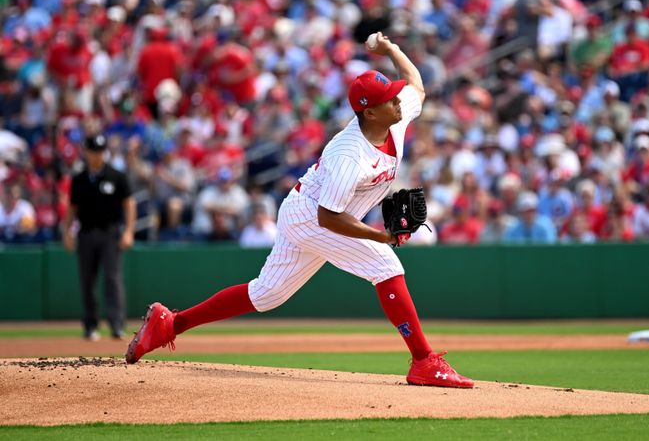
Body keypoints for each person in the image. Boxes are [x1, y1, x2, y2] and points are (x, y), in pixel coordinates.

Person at [126, 33, 474, 388]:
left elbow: (418, 86)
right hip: (313, 216)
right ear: (369, 110)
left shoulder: (393, 118)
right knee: (385, 265)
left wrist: (391, 50)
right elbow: (329, 217)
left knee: (266, 295)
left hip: (305, 210)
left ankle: (170, 323)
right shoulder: (349, 155)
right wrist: (380, 235)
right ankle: (423, 361)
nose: (397, 101)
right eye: (388, 99)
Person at [63, 134, 135, 341]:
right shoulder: (79, 179)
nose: (97, 155)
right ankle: (90, 326)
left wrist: (129, 231)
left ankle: (116, 325)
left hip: (110, 233)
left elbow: (129, 204)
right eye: (93, 151)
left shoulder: (116, 176)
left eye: (100, 151)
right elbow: (72, 208)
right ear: (86, 152)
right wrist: (67, 232)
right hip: (85, 233)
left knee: (113, 279)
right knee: (87, 281)